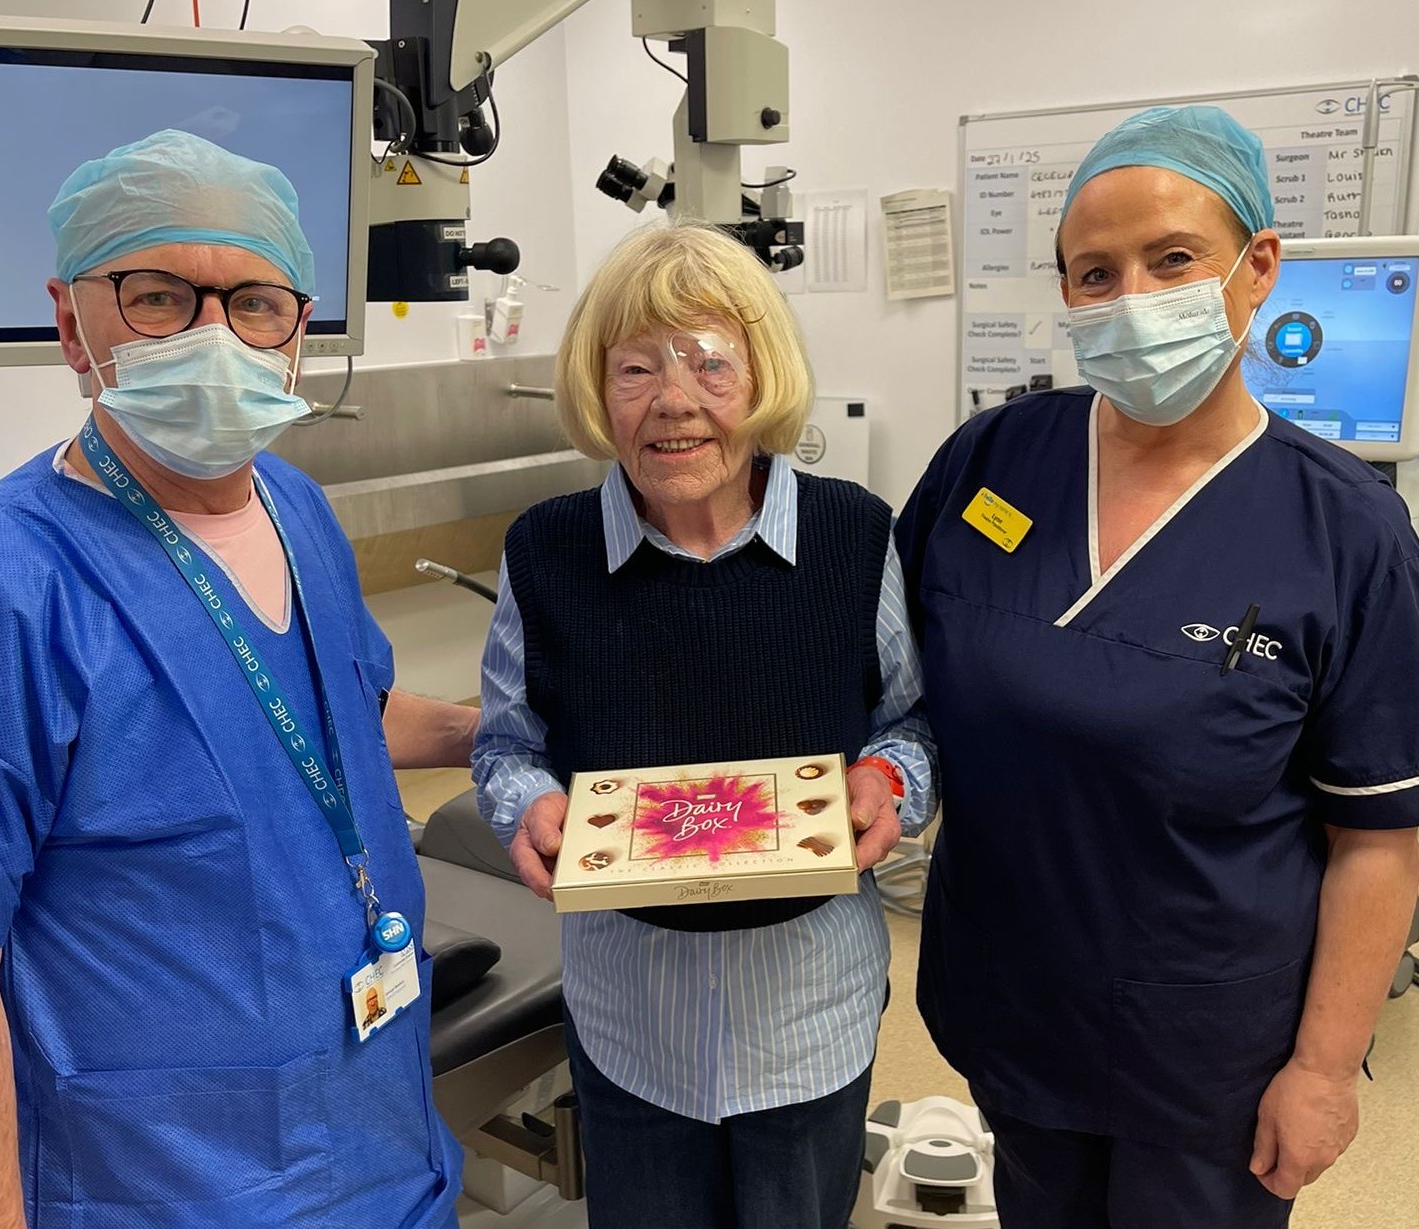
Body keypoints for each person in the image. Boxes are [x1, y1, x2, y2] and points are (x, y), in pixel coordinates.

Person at [895, 105, 1419, 1229]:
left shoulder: (1348, 532)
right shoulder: (992, 458)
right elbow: (891, 677)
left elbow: (1378, 837)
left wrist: (1324, 1069)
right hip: (1014, 1009)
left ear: (1257, 265)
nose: (1131, 299)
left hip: (1206, 1060)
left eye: (1171, 259)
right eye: (1094, 273)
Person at [0, 130, 476, 1229]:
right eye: (157, 297)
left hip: (379, 1143)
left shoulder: (298, 507)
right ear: (70, 320)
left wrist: (507, 730)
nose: (212, 335)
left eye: (252, 301)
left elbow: (334, 715)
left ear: (295, 326)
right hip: (164, 1180)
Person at [472, 221, 937, 1229]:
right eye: (636, 367)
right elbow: (506, 740)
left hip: (807, 1007)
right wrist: (529, 803)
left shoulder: (854, 535)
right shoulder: (546, 551)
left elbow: (910, 718)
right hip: (631, 1011)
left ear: (763, 375)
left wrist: (892, 782)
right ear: (597, 388)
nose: (674, 401)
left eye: (711, 364)